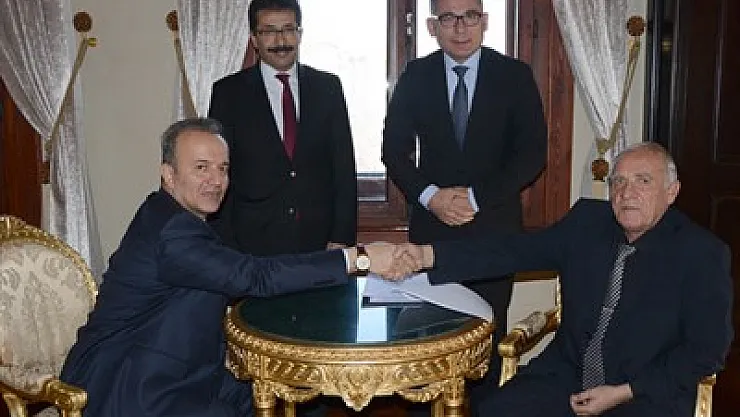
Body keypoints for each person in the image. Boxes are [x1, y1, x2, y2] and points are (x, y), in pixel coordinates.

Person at [60, 118, 414, 417]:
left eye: (223, 169)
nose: (216, 180)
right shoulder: (172, 231)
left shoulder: (176, 216)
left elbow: (246, 273)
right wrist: (359, 258)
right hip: (131, 385)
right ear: (168, 174)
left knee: (290, 400)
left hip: (188, 369)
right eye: (201, 168)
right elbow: (254, 276)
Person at [405, 143, 733, 417]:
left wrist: (624, 391)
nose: (626, 193)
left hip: (644, 392)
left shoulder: (701, 254)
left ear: (671, 192)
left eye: (643, 181)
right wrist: (425, 256)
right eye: (618, 182)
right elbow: (512, 251)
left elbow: (707, 350)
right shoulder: (587, 223)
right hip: (567, 375)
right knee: (496, 409)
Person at [381, 0, 547, 406]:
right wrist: (431, 196)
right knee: (428, 346)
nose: (460, 27)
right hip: (432, 235)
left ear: (484, 21)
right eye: (449, 18)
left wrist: (474, 197)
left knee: (485, 345)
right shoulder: (416, 75)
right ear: (432, 26)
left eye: (470, 16)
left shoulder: (514, 75)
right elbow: (393, 150)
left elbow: (531, 156)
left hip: (494, 234)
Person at [208, 0, 357, 257]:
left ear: (300, 34)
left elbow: (343, 168)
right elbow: (220, 170)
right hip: (250, 246)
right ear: (254, 39)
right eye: (269, 31)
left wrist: (341, 238)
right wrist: (227, 247)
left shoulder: (327, 88)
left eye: (288, 29)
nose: (281, 41)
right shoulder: (228, 93)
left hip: (319, 244)